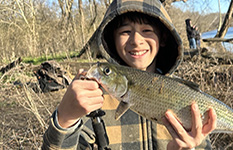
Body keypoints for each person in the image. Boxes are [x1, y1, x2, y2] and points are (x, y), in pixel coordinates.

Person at [42, 0, 217, 149]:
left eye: (147, 30)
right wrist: (65, 119)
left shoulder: (185, 94)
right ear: (112, 39)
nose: (136, 40)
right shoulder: (92, 100)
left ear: (163, 38)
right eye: (125, 32)